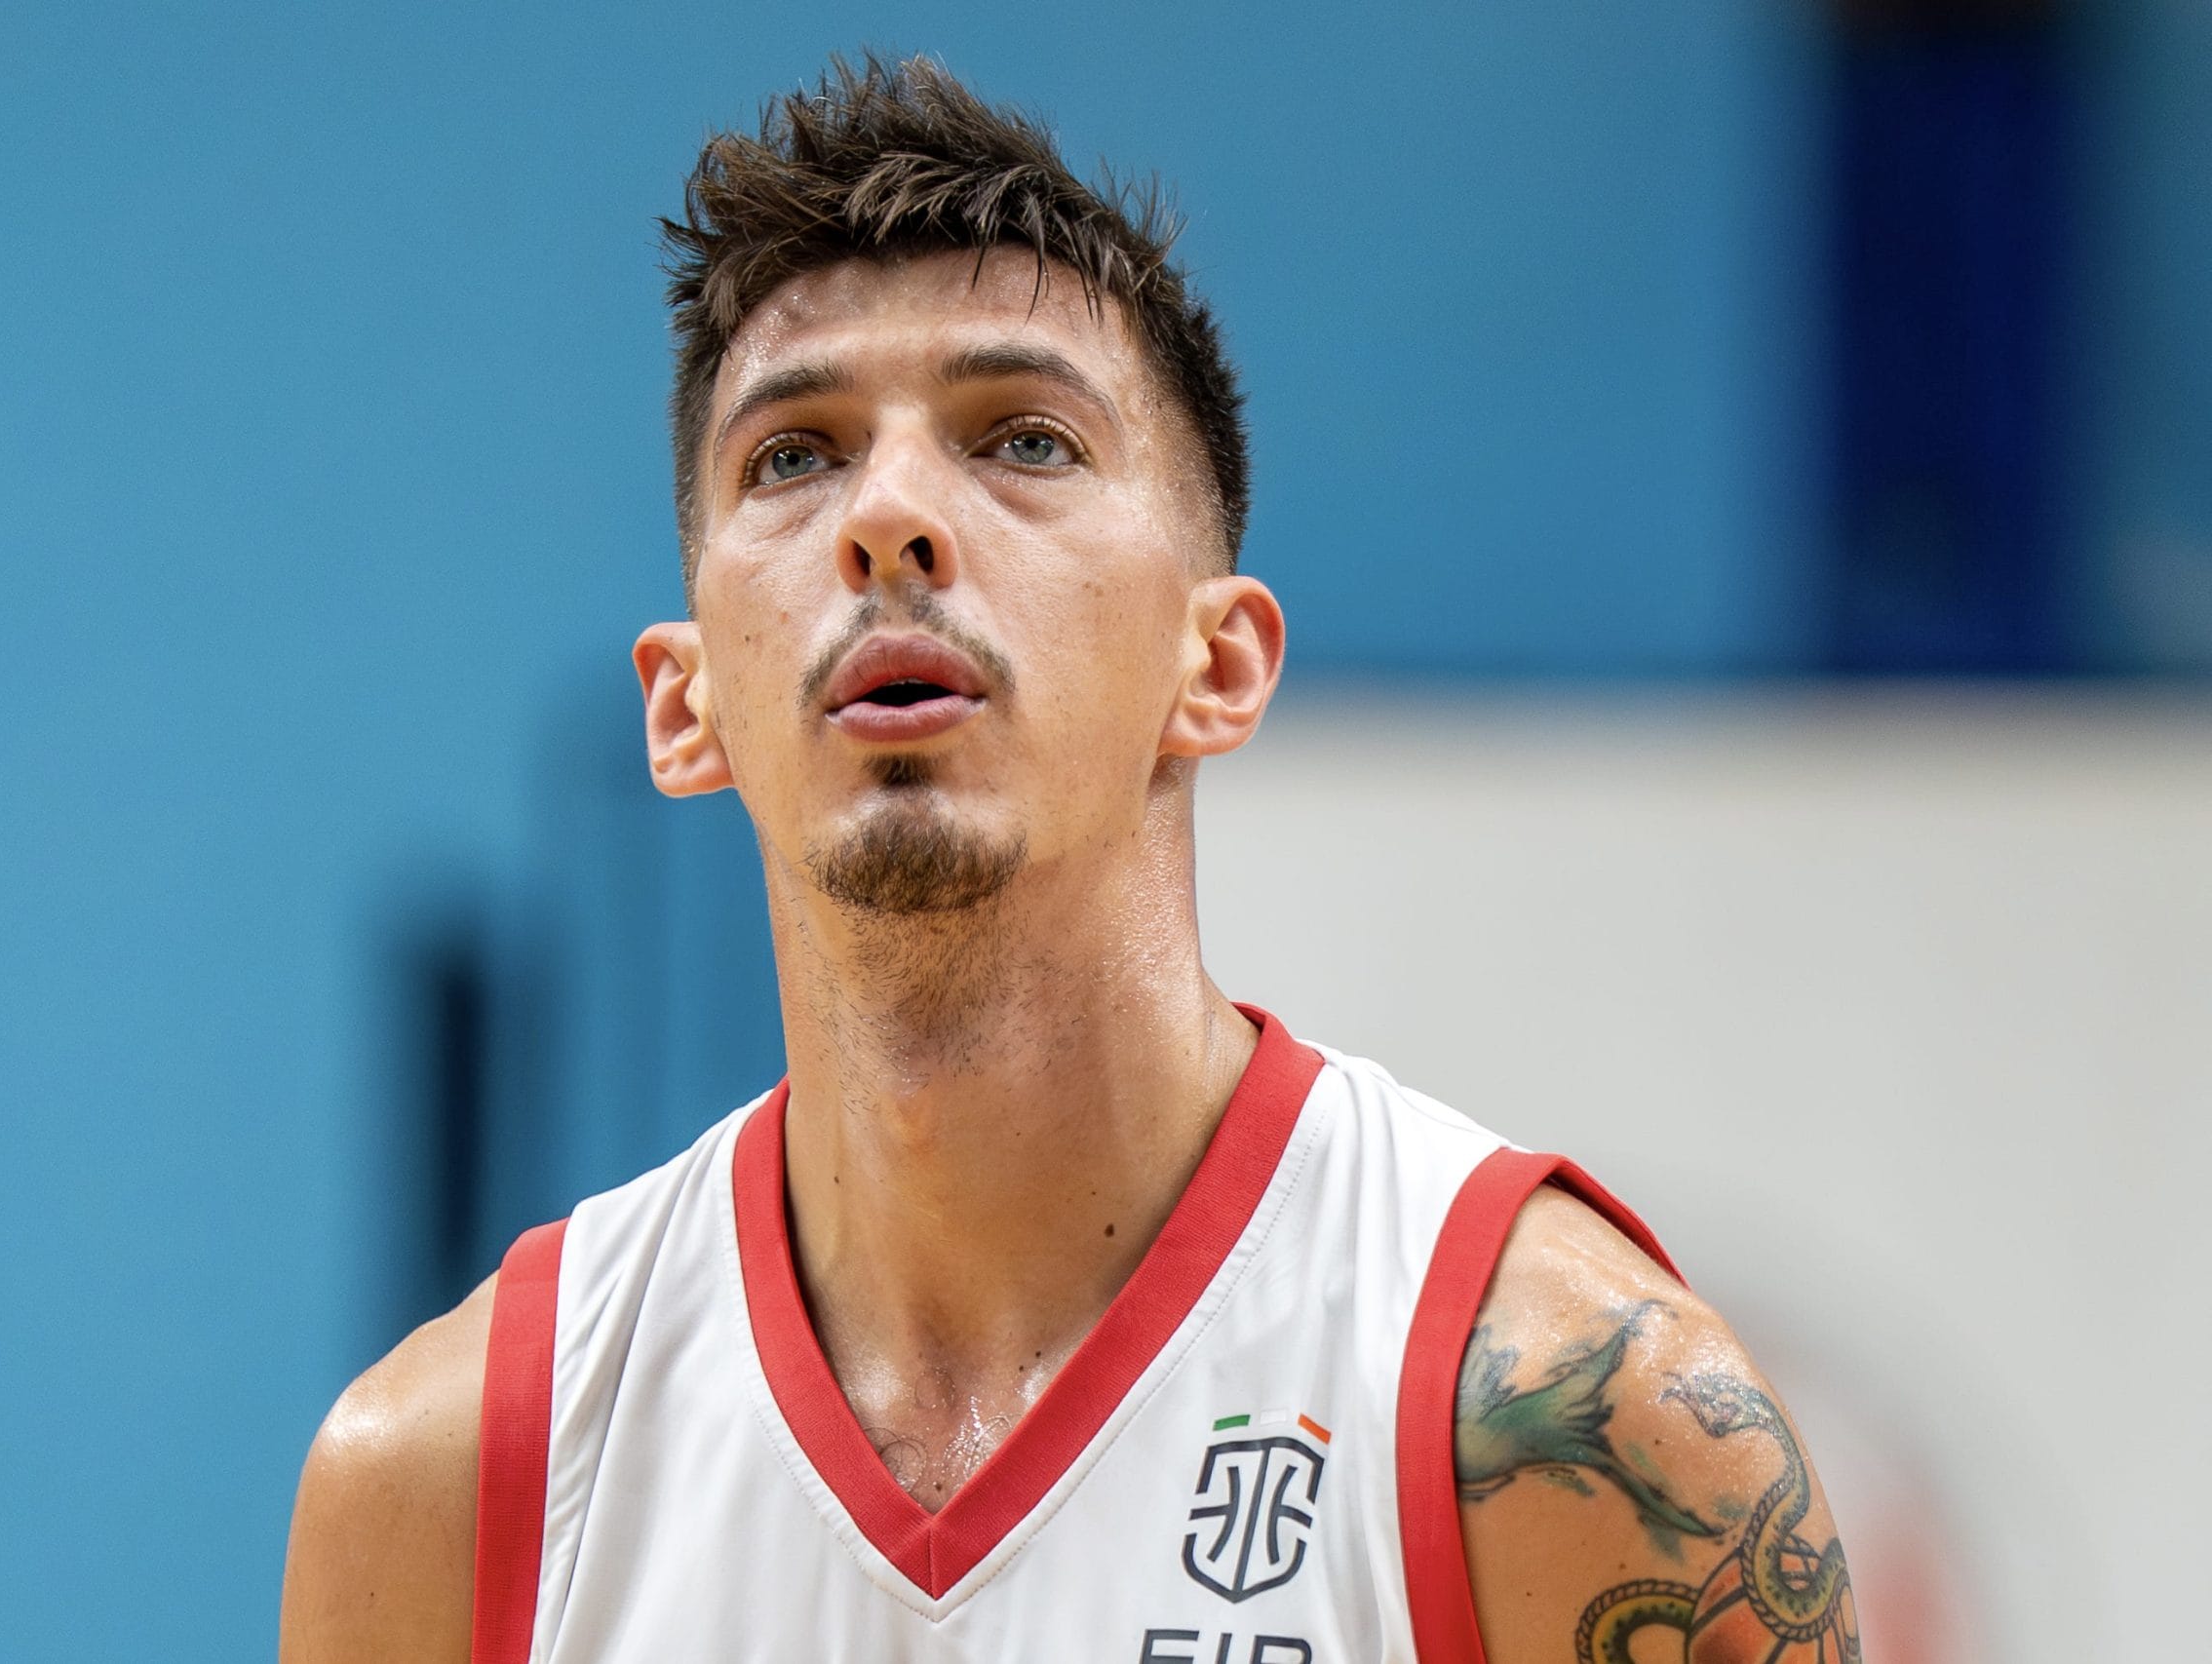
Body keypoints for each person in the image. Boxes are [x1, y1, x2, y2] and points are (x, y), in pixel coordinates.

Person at [280, 55, 1860, 1664]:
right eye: (794, 455)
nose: (890, 517)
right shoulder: (447, 1482)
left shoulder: (1571, 1422)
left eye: (1023, 440)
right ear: (687, 708)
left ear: (1218, 665)